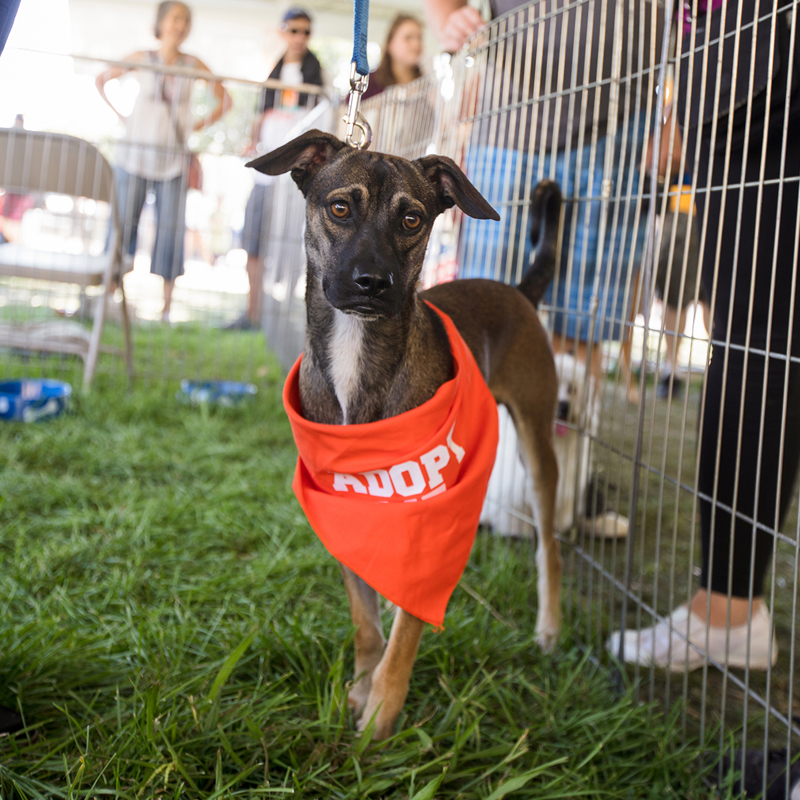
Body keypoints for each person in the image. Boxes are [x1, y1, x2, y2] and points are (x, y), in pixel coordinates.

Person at [609, 0, 800, 671]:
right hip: (727, 73)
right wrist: (675, 107)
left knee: (758, 343)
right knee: (751, 341)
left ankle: (728, 610)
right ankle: (729, 606)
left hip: (766, 64)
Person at [96, 1, 231, 322]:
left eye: (185, 20)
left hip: (173, 161)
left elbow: (226, 100)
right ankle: (109, 297)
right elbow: (101, 80)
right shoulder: (142, 59)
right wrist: (122, 117)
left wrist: (193, 126)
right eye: (174, 18)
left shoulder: (192, 63)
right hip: (134, 155)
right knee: (122, 225)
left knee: (171, 230)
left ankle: (166, 308)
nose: (180, 25)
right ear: (161, 22)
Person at [232, 7, 325, 330]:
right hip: (265, 171)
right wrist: (252, 140)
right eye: (294, 30)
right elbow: (261, 112)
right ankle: (252, 310)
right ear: (283, 31)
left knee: (292, 245)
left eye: (306, 31)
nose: (299, 37)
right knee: (253, 238)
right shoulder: (273, 69)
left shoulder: (315, 71)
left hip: (294, 178)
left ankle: (286, 318)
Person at [362, 14, 424, 101]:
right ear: (389, 44)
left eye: (420, 38)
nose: (416, 44)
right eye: (408, 38)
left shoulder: (427, 86)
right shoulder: (368, 83)